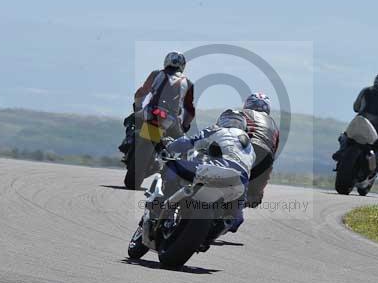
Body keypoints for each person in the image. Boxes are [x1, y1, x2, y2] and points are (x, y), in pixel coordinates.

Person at [163, 109, 255, 241]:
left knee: (172, 165)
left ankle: (167, 211)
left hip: (215, 171)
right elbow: (238, 218)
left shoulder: (217, 130)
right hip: (239, 182)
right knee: (233, 218)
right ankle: (218, 227)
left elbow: (188, 143)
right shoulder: (250, 149)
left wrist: (169, 146)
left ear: (222, 121)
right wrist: (235, 218)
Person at [119, 51, 195, 155]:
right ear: (183, 65)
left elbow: (141, 92)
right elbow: (190, 111)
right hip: (171, 119)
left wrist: (138, 106)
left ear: (166, 62)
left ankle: (128, 141)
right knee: (184, 146)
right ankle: (171, 161)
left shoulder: (156, 74)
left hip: (151, 110)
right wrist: (184, 126)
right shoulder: (188, 83)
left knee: (131, 120)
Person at [333, 73, 378, 162]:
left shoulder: (365, 90)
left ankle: (342, 151)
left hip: (359, 123)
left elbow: (356, 108)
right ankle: (375, 157)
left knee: (344, 137)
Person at [242, 92, 280, 210]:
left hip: (243, 148)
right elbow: (274, 150)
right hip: (265, 156)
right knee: (254, 196)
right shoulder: (273, 125)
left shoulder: (242, 114)